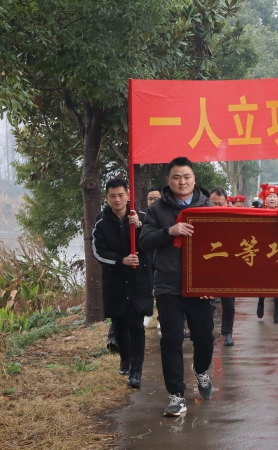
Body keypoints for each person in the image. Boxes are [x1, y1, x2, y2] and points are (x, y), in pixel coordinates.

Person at [140, 157, 216, 417]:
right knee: (171, 340)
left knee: (204, 338)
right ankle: (176, 395)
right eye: (176, 177)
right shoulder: (157, 209)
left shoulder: (207, 207)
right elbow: (144, 241)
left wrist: (212, 282)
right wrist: (169, 231)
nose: (182, 182)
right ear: (168, 180)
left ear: (194, 179)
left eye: (186, 176)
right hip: (168, 285)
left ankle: (201, 370)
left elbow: (221, 245)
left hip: (199, 287)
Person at [92, 179, 153, 389]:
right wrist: (121, 260)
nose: (117, 200)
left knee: (136, 324)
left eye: (120, 195)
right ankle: (125, 358)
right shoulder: (101, 222)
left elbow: (153, 244)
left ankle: (136, 370)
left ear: (128, 195)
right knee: (119, 323)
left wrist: (140, 228)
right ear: (107, 197)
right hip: (115, 282)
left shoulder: (141, 217)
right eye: (112, 196)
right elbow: (98, 252)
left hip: (139, 280)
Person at [210, 186, 236, 346]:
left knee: (229, 303)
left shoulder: (234, 219)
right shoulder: (200, 217)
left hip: (228, 267)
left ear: (227, 203)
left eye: (220, 204)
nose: (217, 207)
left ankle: (227, 332)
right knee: (206, 302)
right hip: (208, 265)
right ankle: (207, 331)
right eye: (214, 203)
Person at [256, 185, 278, 324]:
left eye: (275, 196)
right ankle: (261, 300)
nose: (272, 198)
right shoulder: (259, 213)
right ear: (264, 199)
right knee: (263, 281)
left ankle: (277, 312)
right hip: (264, 252)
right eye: (269, 196)